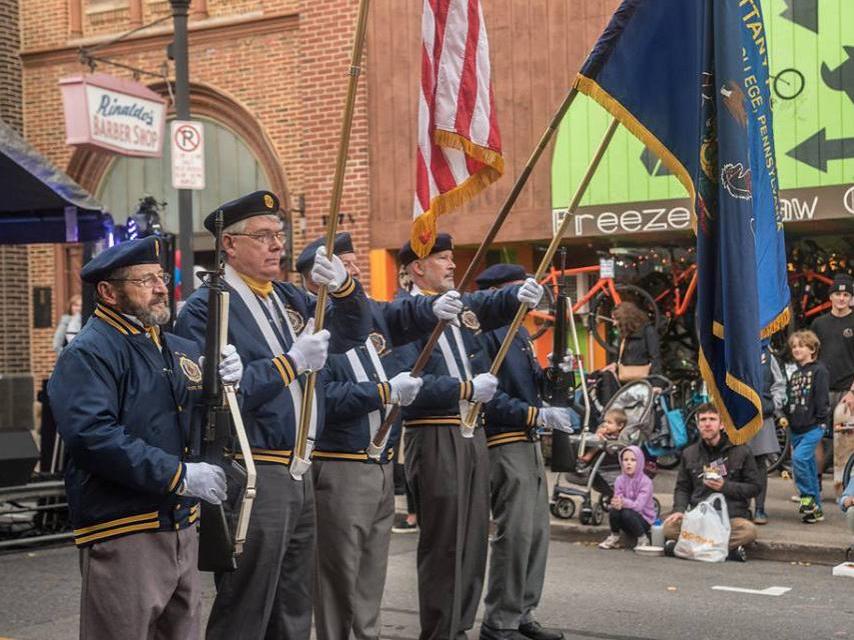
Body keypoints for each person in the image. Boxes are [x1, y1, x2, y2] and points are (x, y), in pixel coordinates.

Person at [174, 191, 367, 639]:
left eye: (279, 235)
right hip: (254, 468)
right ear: (229, 245)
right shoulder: (208, 306)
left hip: (298, 468)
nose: (277, 245)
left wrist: (344, 289)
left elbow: (354, 332)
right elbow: (214, 398)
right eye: (262, 236)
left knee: (294, 605)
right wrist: (290, 363)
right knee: (248, 603)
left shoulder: (286, 298)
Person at [48, 236, 242, 640]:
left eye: (161, 277)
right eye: (145, 280)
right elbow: (93, 436)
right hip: (125, 527)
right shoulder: (89, 352)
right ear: (108, 292)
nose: (160, 288)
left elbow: (198, 421)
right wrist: (178, 475)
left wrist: (227, 384)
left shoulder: (174, 347)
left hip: (180, 523)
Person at [294, 233, 450, 640]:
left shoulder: (368, 319)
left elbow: (409, 313)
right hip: (341, 464)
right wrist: (383, 392)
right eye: (345, 263)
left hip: (380, 462)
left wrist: (435, 305)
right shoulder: (312, 330)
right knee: (337, 576)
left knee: (370, 574)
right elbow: (323, 399)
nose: (356, 269)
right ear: (319, 276)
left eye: (354, 262)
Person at [397, 236, 544, 640]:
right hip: (435, 430)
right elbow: (408, 385)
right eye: (441, 258)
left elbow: (491, 306)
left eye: (450, 257)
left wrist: (519, 294)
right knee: (445, 543)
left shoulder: (459, 308)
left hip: (472, 430)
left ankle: (460, 625)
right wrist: (462, 389)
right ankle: (442, 631)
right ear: (417, 267)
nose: (451, 265)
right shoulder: (402, 314)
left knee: (474, 541)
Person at [476, 263, 568, 640]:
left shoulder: (521, 333)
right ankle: (500, 620)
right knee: (513, 536)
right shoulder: (488, 332)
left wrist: (554, 375)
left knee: (536, 534)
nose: (525, 296)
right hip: (504, 439)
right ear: (498, 291)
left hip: (528, 440)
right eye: (517, 288)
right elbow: (487, 398)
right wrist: (535, 412)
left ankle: (524, 611)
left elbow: (529, 385)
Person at [662, 402, 761, 562]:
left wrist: (725, 486)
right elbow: (682, 488)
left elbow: (755, 487)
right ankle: (724, 551)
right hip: (699, 517)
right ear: (698, 424)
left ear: (722, 424)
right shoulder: (690, 453)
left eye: (712, 419)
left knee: (748, 531)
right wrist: (679, 510)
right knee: (668, 527)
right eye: (703, 420)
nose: (707, 424)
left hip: (730, 517)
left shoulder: (741, 451)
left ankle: (687, 547)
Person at [810, 274, 854, 477]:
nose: (842, 298)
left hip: (847, 391)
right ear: (831, 297)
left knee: (844, 441)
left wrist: (853, 391)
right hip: (821, 389)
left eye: (846, 294)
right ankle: (814, 486)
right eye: (838, 294)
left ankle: (842, 488)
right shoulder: (819, 324)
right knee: (814, 437)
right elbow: (812, 356)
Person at [786, 330, 831, 524]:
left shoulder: (819, 370)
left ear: (812, 349)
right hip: (796, 428)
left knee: (799, 459)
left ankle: (807, 498)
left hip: (814, 426)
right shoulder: (795, 374)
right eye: (794, 346)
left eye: (801, 346)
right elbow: (790, 398)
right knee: (809, 467)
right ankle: (816, 510)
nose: (796, 349)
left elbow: (822, 398)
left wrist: (821, 420)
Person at [748, 348, 787, 524]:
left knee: (758, 465)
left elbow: (779, 384)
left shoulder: (768, 355)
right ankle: (739, 508)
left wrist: (772, 405)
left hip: (762, 416)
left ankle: (759, 508)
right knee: (735, 462)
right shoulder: (732, 347)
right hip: (736, 417)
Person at [598, 445, 656, 550]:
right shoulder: (619, 480)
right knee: (614, 510)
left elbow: (639, 506)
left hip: (643, 519)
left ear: (640, 462)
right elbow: (618, 497)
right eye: (625, 460)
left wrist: (623, 502)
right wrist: (616, 503)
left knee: (626, 512)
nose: (628, 463)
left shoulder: (646, 482)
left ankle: (643, 539)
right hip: (626, 518)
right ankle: (614, 536)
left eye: (633, 460)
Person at [605, 300, 661, 382]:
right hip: (629, 381)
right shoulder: (623, 335)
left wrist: (657, 384)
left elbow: (655, 358)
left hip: (645, 381)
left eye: (616, 319)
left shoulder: (648, 331)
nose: (614, 323)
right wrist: (615, 364)